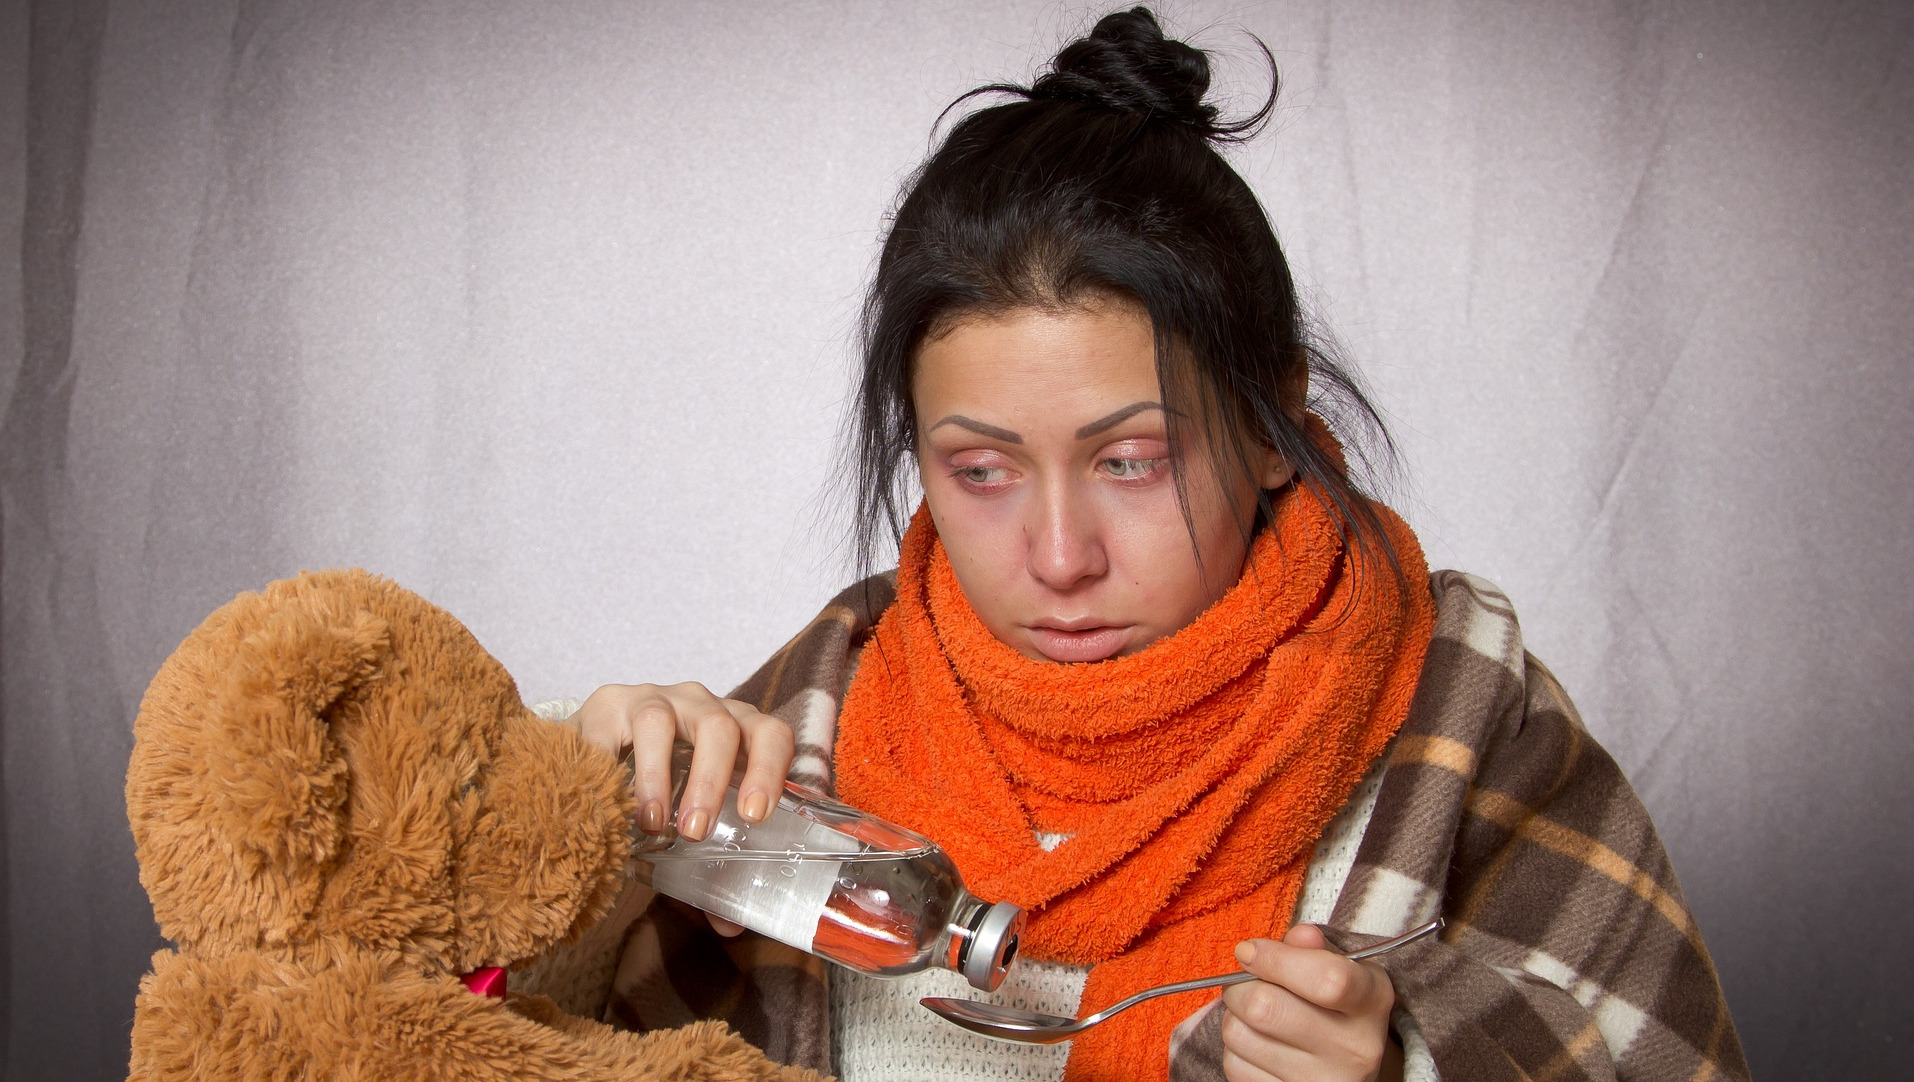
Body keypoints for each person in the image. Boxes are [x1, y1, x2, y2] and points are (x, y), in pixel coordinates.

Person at [549, 9, 1749, 1082]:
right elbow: (486, 1036)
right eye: (981, 470)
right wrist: (568, 840)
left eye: (1133, 460)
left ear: (1275, 424)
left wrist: (1410, 1055)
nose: (1060, 555)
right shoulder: (810, 716)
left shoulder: (1461, 716)